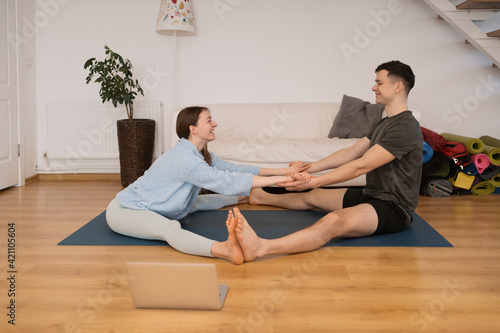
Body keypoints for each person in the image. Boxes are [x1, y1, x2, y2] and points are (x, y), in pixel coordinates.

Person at [231, 60, 423, 261]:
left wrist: (318, 180)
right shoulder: (386, 122)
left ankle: (261, 248)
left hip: (393, 207)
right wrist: (309, 167)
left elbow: (361, 165)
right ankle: (259, 197)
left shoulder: (405, 127)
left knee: (333, 221)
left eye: (379, 83)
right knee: (312, 196)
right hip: (371, 195)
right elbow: (350, 153)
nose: (373, 87)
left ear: (398, 86)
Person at [106, 106, 309, 264]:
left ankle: (244, 197)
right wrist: (281, 181)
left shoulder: (199, 153)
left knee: (195, 202)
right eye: (209, 120)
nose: (215, 124)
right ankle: (224, 250)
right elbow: (225, 181)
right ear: (192, 128)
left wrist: (283, 171)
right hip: (126, 211)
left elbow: (233, 169)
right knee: (170, 229)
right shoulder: (184, 159)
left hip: (158, 207)